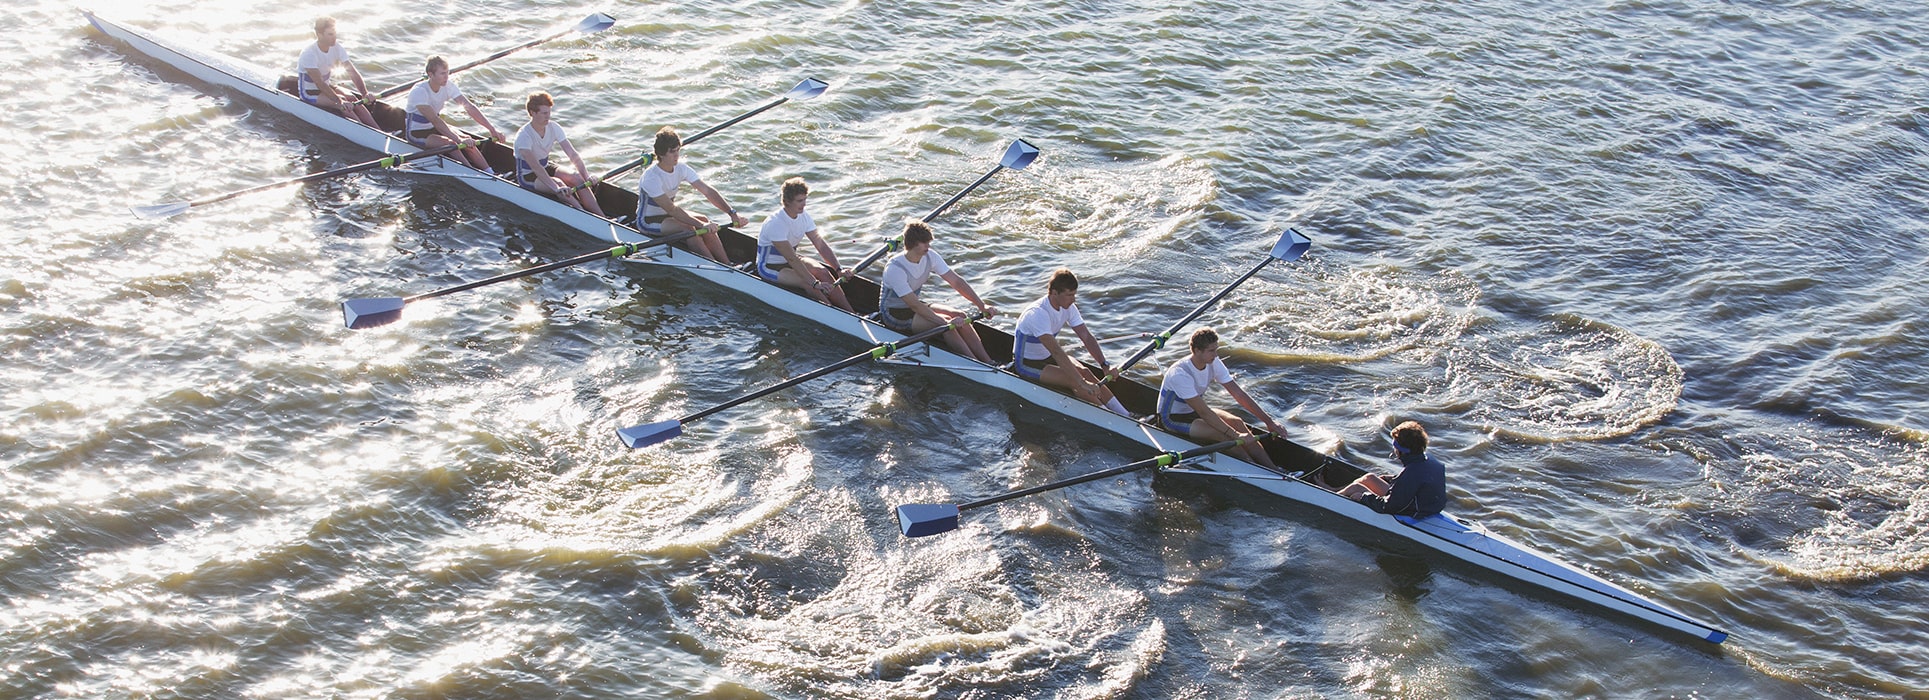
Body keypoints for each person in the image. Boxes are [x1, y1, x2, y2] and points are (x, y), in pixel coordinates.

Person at [1156, 328, 1284, 468]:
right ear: (1197, 351)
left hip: (1194, 412)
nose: (1216, 355)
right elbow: (1204, 412)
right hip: (1172, 419)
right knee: (1224, 435)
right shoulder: (1180, 374)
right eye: (1211, 351)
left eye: (1216, 349)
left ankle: (1273, 468)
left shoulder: (1213, 362)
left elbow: (1238, 394)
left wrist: (1269, 422)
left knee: (1238, 422)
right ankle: (1254, 468)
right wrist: (1236, 436)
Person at [1012, 269, 1130, 416]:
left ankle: (1126, 414)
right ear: (1054, 293)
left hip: (1048, 357)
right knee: (1075, 381)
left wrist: (1104, 365)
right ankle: (1111, 417)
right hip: (1026, 364)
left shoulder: (1069, 308)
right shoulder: (1038, 313)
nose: (1073, 299)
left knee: (1086, 372)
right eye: (1069, 295)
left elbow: (1086, 336)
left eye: (1074, 294)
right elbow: (1056, 351)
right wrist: (1081, 382)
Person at [878, 220, 997, 363]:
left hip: (915, 306)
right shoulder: (895, 269)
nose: (928, 246)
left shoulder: (930, 256)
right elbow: (914, 305)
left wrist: (981, 305)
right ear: (912, 244)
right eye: (924, 243)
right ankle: (975, 363)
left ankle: (989, 362)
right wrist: (944, 323)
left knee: (960, 315)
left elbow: (956, 282)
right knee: (946, 325)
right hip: (894, 313)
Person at [636, 126, 746, 262]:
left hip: (668, 216)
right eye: (672, 152)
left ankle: (727, 264)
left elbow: (707, 191)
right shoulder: (651, 177)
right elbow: (671, 209)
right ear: (661, 153)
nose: (676, 156)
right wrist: (701, 226)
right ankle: (714, 267)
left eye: (678, 150)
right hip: (648, 221)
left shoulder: (681, 168)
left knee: (705, 219)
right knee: (689, 228)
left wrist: (732, 213)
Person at [756, 178, 852, 311]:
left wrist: (838, 269)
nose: (804, 204)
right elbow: (791, 258)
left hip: (791, 261)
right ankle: (831, 312)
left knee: (823, 272)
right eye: (800, 201)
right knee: (806, 282)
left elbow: (820, 245)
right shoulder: (776, 223)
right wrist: (814, 283)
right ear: (787, 201)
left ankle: (851, 312)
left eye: (805, 199)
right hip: (769, 266)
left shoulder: (804, 216)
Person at [404, 56, 503, 174]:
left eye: (447, 72)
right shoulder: (419, 91)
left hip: (435, 128)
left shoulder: (448, 86)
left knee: (467, 139)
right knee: (451, 143)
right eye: (442, 74)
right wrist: (458, 139)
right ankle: (470, 172)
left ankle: (490, 172)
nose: (446, 77)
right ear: (430, 74)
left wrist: (491, 129)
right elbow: (435, 120)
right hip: (417, 133)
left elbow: (469, 107)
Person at [513, 92, 604, 216]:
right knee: (559, 183)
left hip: (545, 166)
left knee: (577, 177)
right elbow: (536, 167)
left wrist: (586, 176)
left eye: (549, 112)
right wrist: (556, 188)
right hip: (527, 176)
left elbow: (572, 154)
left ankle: (602, 216)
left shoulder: (553, 127)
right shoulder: (524, 136)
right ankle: (583, 215)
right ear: (533, 113)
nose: (548, 117)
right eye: (544, 113)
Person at [1338, 421, 1448, 518]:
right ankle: (1332, 490)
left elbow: (1389, 507)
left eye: (1395, 447)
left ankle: (1330, 496)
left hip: (1415, 512)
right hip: (1423, 505)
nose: (1394, 451)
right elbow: (1419, 482)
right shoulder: (1432, 461)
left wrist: (1363, 498)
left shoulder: (1411, 473)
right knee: (1369, 478)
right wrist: (1391, 479)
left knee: (1356, 489)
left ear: (1402, 451)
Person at [296, 17, 379, 128]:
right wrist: (340, 102)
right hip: (310, 92)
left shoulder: (337, 47)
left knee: (352, 98)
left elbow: (352, 72)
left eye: (335, 33)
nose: (334, 37)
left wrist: (365, 93)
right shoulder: (309, 53)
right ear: (319, 35)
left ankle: (379, 130)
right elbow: (319, 83)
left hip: (327, 86)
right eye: (330, 34)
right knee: (343, 103)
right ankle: (365, 131)